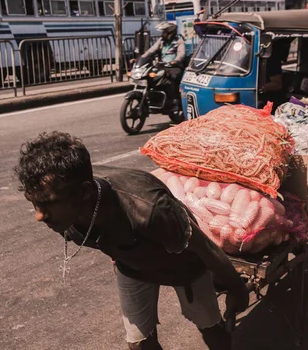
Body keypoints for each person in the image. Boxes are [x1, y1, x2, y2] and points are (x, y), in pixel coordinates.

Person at [15, 131, 250, 350]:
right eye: (34, 203)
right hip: (132, 266)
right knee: (138, 344)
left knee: (211, 330)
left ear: (86, 192)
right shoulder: (63, 214)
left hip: (183, 266)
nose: (39, 216)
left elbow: (206, 248)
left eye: (47, 204)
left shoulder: (150, 211)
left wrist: (237, 288)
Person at [141, 22, 186, 110]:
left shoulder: (179, 40)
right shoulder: (161, 41)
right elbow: (151, 50)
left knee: (170, 79)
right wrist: (142, 57)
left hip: (174, 66)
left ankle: (174, 100)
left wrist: (176, 61)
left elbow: (181, 53)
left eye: (164, 32)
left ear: (170, 32)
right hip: (162, 65)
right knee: (150, 76)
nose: (162, 34)